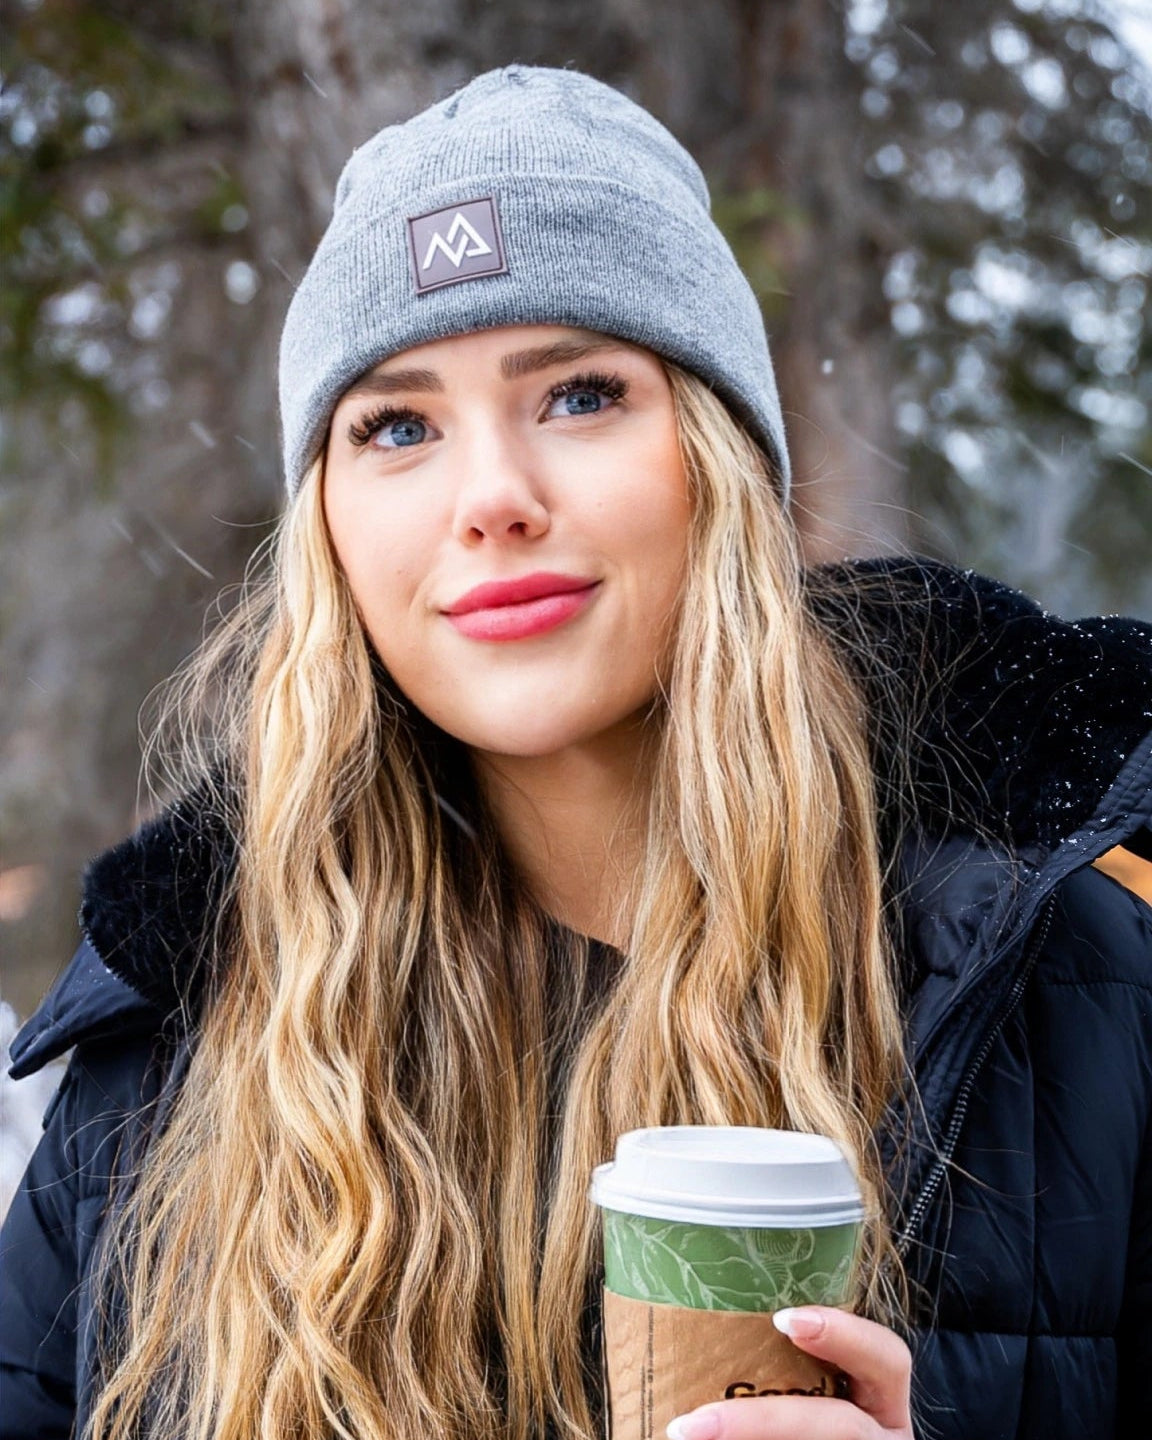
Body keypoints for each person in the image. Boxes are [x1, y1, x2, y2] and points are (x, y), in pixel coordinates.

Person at [1, 64, 1151, 1440]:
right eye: (399, 426)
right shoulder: (172, 1044)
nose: (493, 498)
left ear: (718, 462)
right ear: (330, 530)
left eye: (580, 396)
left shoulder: (1067, 984)